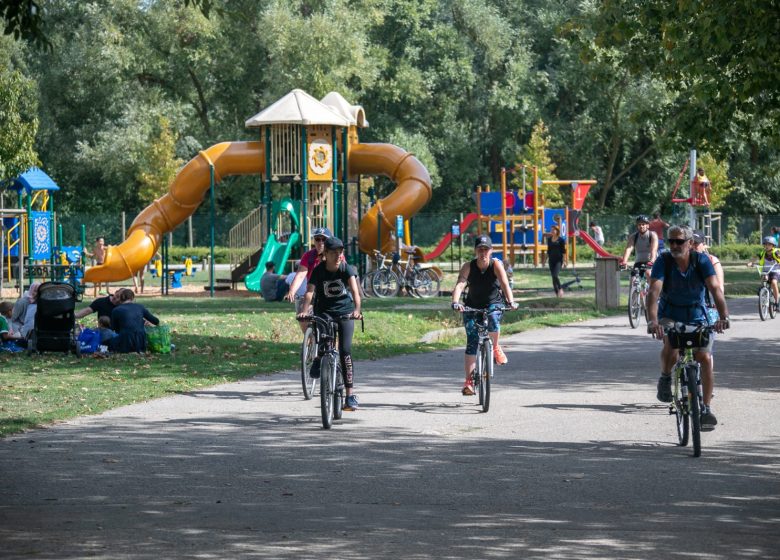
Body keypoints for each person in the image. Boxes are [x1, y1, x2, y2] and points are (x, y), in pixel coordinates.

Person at [646, 225, 729, 430]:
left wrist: (723, 316)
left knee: (705, 358)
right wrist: (653, 321)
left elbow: (715, 288)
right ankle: (665, 377)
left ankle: (706, 408)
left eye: (679, 242)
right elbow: (654, 292)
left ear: (690, 244)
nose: (674, 245)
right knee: (671, 348)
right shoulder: (663, 261)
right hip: (669, 314)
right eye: (670, 241)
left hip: (697, 315)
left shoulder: (701, 261)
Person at [297, 237, 362, 411]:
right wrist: (304, 311)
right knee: (324, 341)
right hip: (324, 311)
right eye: (333, 252)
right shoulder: (318, 271)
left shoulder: (346, 269)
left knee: (345, 352)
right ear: (325, 254)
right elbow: (309, 293)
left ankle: (349, 396)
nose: (338, 255)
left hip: (345, 312)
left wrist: (356, 310)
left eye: (340, 252)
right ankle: (319, 358)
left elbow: (355, 292)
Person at [451, 235, 518, 396]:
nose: (483, 253)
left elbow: (504, 284)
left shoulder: (496, 264)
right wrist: (455, 302)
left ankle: (495, 347)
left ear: (491, 251)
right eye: (480, 249)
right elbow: (460, 284)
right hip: (472, 306)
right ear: (475, 251)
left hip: (493, 304)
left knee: (494, 318)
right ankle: (469, 382)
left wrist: (511, 301)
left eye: (486, 249)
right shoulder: (468, 266)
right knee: (472, 342)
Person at [285, 227, 340, 332]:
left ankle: (331, 340)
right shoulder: (308, 256)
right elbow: (301, 274)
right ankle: (309, 341)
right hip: (313, 292)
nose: (320, 242)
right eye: (317, 239)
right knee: (302, 316)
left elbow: (343, 273)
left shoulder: (336, 254)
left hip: (331, 291)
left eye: (324, 239)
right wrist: (292, 291)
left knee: (332, 320)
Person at [108, 289, 160, 353]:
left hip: (125, 341)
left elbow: (114, 329)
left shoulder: (116, 310)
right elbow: (155, 321)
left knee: (109, 340)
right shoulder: (140, 307)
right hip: (140, 342)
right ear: (132, 298)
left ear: (120, 298)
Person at [747, 236, 780, 310]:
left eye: (769, 244)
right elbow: (755, 257)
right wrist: (750, 262)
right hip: (766, 271)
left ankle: (777, 302)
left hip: (775, 271)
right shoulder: (762, 253)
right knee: (764, 278)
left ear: (773, 245)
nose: (767, 246)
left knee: (774, 283)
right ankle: (762, 289)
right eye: (765, 244)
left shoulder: (776, 252)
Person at [621, 215, 658, 279]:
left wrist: (651, 261)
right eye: (639, 224)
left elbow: (653, 250)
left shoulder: (652, 235)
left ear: (647, 226)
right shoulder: (633, 237)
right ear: (637, 226)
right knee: (633, 278)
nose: (641, 226)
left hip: (651, 261)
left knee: (648, 273)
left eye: (643, 224)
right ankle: (633, 289)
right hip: (639, 262)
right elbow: (628, 249)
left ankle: (651, 289)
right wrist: (624, 262)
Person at [542, 225, 567, 297]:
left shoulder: (561, 240)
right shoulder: (549, 239)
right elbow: (548, 251)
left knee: (555, 275)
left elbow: (564, 252)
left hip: (558, 260)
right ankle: (557, 294)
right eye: (551, 230)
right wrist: (544, 260)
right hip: (551, 260)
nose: (552, 231)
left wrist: (564, 261)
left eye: (554, 230)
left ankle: (560, 288)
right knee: (553, 277)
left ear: (557, 231)